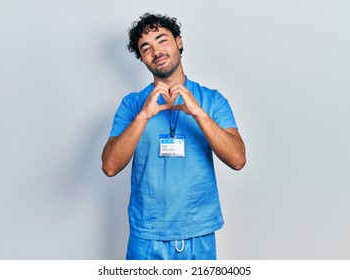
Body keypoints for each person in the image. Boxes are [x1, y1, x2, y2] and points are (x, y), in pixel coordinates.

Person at [101, 12, 246, 260]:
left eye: (162, 40)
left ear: (178, 42)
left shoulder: (212, 100)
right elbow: (110, 166)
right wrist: (143, 116)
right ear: (142, 58)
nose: (156, 50)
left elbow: (238, 160)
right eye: (146, 47)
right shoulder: (132, 104)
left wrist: (199, 113)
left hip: (198, 233)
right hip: (147, 236)